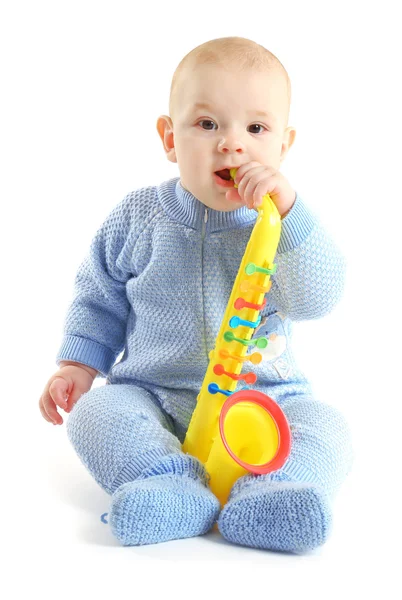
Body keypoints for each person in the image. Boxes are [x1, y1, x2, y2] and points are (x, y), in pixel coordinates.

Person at [39, 36, 353, 553]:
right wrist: (78, 365)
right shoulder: (137, 217)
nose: (232, 144)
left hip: (265, 402)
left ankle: (271, 494)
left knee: (327, 425)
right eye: (208, 125)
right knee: (96, 414)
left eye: (256, 128)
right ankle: (173, 486)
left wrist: (291, 214)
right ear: (169, 138)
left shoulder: (281, 227)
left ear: (283, 146)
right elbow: (98, 297)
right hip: (155, 401)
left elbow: (317, 298)